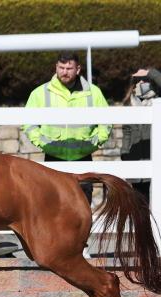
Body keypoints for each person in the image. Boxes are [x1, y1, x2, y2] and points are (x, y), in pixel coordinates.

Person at [22, 51, 111, 204]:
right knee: (52, 206)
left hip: (83, 157)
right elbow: (28, 123)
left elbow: (106, 121)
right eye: (61, 67)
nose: (64, 72)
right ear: (56, 67)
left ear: (78, 69)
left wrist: (97, 140)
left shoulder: (94, 93)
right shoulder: (40, 93)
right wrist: (41, 142)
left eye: (69, 68)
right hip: (53, 156)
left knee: (83, 206)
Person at [121, 68, 161, 203]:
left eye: (145, 80)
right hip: (137, 160)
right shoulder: (128, 104)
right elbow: (127, 131)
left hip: (160, 159)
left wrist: (149, 72)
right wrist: (125, 153)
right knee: (141, 207)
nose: (141, 82)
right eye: (138, 80)